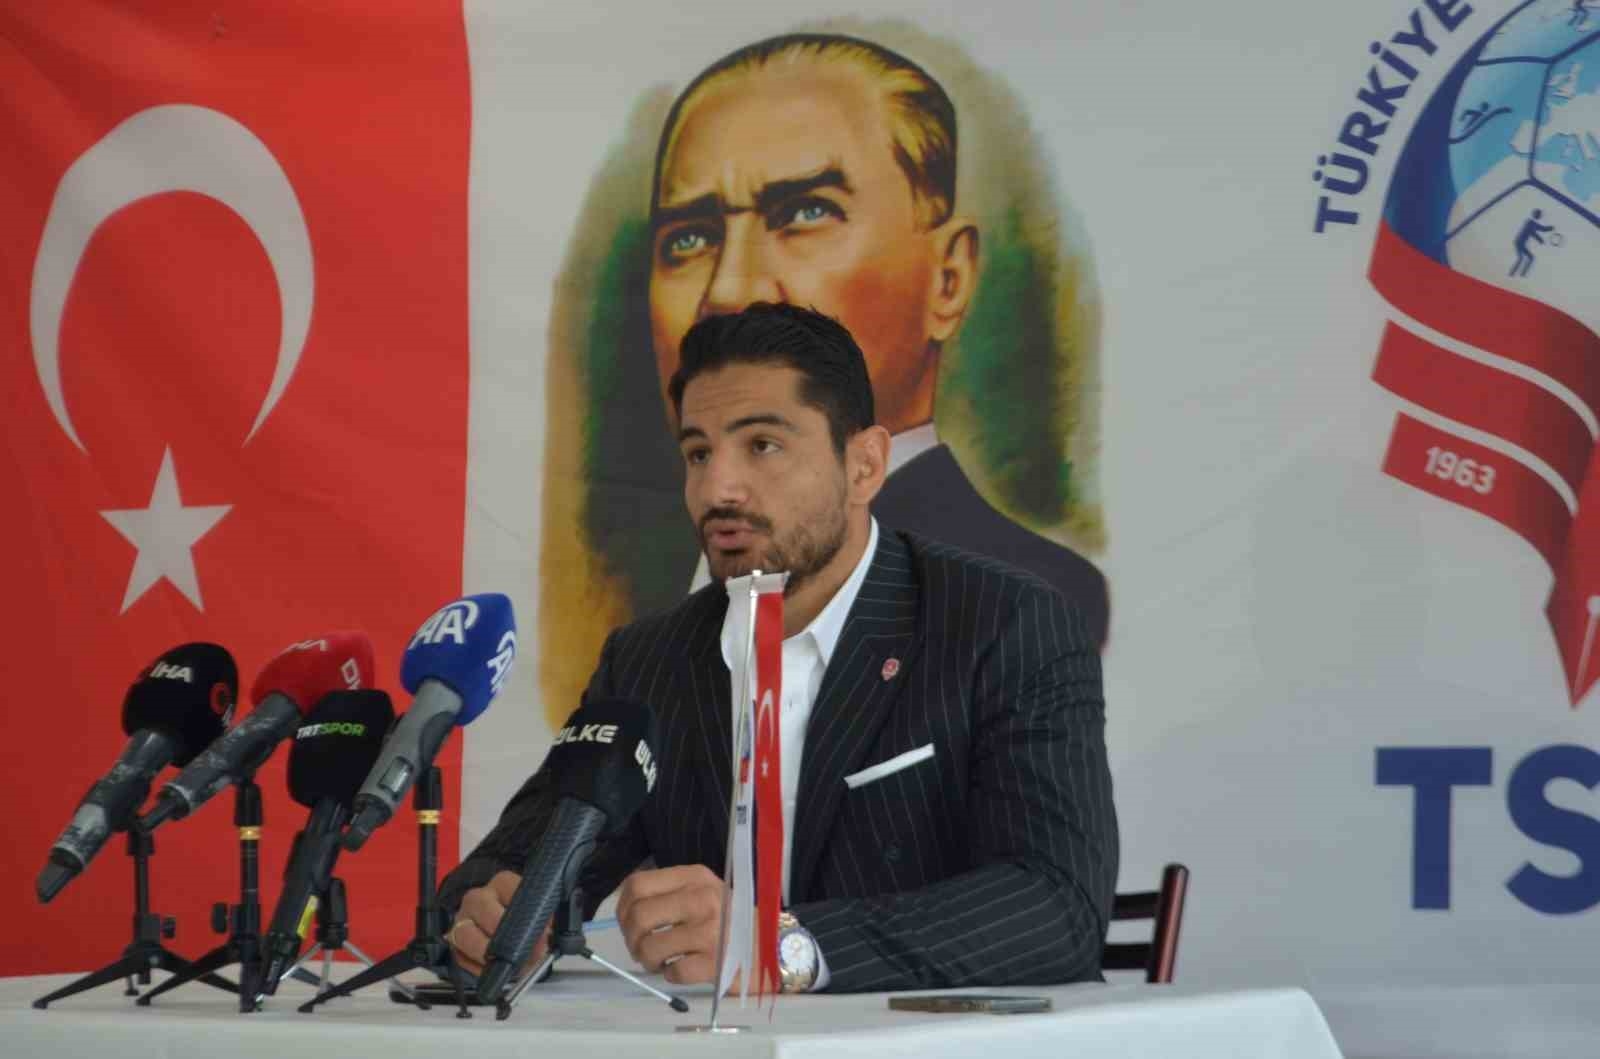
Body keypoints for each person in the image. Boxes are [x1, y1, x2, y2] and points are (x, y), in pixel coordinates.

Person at [442, 303, 1117, 993]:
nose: (717, 489)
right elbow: (507, 869)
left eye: (762, 445)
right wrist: (489, 920)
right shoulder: (648, 661)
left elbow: (1058, 905)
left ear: (865, 466)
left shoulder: (1006, 623)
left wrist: (781, 945)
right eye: (698, 453)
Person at [647, 32, 1110, 646]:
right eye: (689, 238)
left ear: (947, 280)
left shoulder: (1027, 603)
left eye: (807, 212)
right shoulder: (648, 637)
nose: (729, 288)